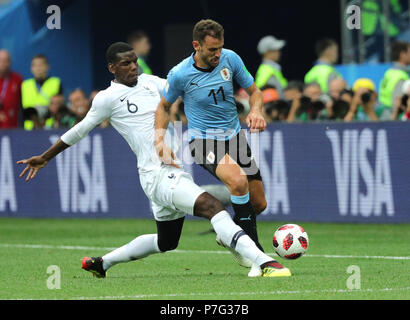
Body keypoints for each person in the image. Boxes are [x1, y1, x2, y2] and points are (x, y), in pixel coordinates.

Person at [17, 42, 290, 279]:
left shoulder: (153, 83)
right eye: (126, 64)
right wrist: (45, 157)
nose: (133, 67)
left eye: (135, 62)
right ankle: (263, 261)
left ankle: (103, 263)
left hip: (169, 171)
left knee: (166, 241)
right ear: (112, 68)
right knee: (212, 206)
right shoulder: (107, 99)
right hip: (156, 174)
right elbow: (80, 130)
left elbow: (185, 90)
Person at [154, 19, 268, 267]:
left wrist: (257, 111)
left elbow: (255, 92)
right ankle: (256, 255)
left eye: (220, 48)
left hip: (236, 138)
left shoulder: (231, 59)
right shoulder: (180, 74)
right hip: (204, 142)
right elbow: (163, 106)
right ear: (196, 45)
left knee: (259, 203)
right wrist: (159, 140)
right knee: (238, 181)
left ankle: (229, 235)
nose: (218, 54)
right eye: (212, 50)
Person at [21, 54, 63, 130]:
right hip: (28, 128)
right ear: (31, 68)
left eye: (41, 65)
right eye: (35, 65)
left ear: (47, 67)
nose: (38, 68)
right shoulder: (25, 85)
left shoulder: (56, 82)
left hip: (49, 127)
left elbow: (60, 107)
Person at [379, 41, 410, 120]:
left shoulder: (389, 72)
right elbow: (398, 103)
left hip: (383, 115)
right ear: (402, 54)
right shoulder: (400, 76)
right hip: (394, 121)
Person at [0, 49, 22, 129]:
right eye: (1, 60)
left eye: (6, 60)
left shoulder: (17, 79)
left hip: (13, 128)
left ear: (10, 62)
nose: (3, 63)